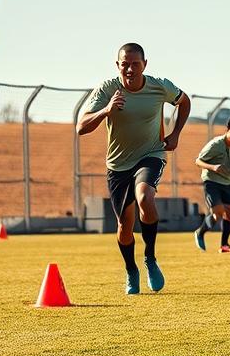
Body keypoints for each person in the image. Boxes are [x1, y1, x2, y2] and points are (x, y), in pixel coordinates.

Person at [78, 43, 191, 291]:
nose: (129, 69)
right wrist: (106, 110)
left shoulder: (159, 86)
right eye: (124, 64)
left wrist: (176, 134)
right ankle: (131, 269)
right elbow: (81, 126)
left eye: (135, 64)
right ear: (117, 65)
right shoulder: (107, 89)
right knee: (124, 227)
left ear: (145, 64)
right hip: (118, 165)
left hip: (152, 153)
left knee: (145, 197)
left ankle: (150, 257)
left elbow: (184, 102)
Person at [193, 117, 230, 253]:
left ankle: (224, 245)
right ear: (227, 130)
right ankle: (200, 232)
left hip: (226, 182)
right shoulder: (215, 144)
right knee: (218, 213)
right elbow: (198, 161)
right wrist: (213, 167)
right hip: (211, 180)